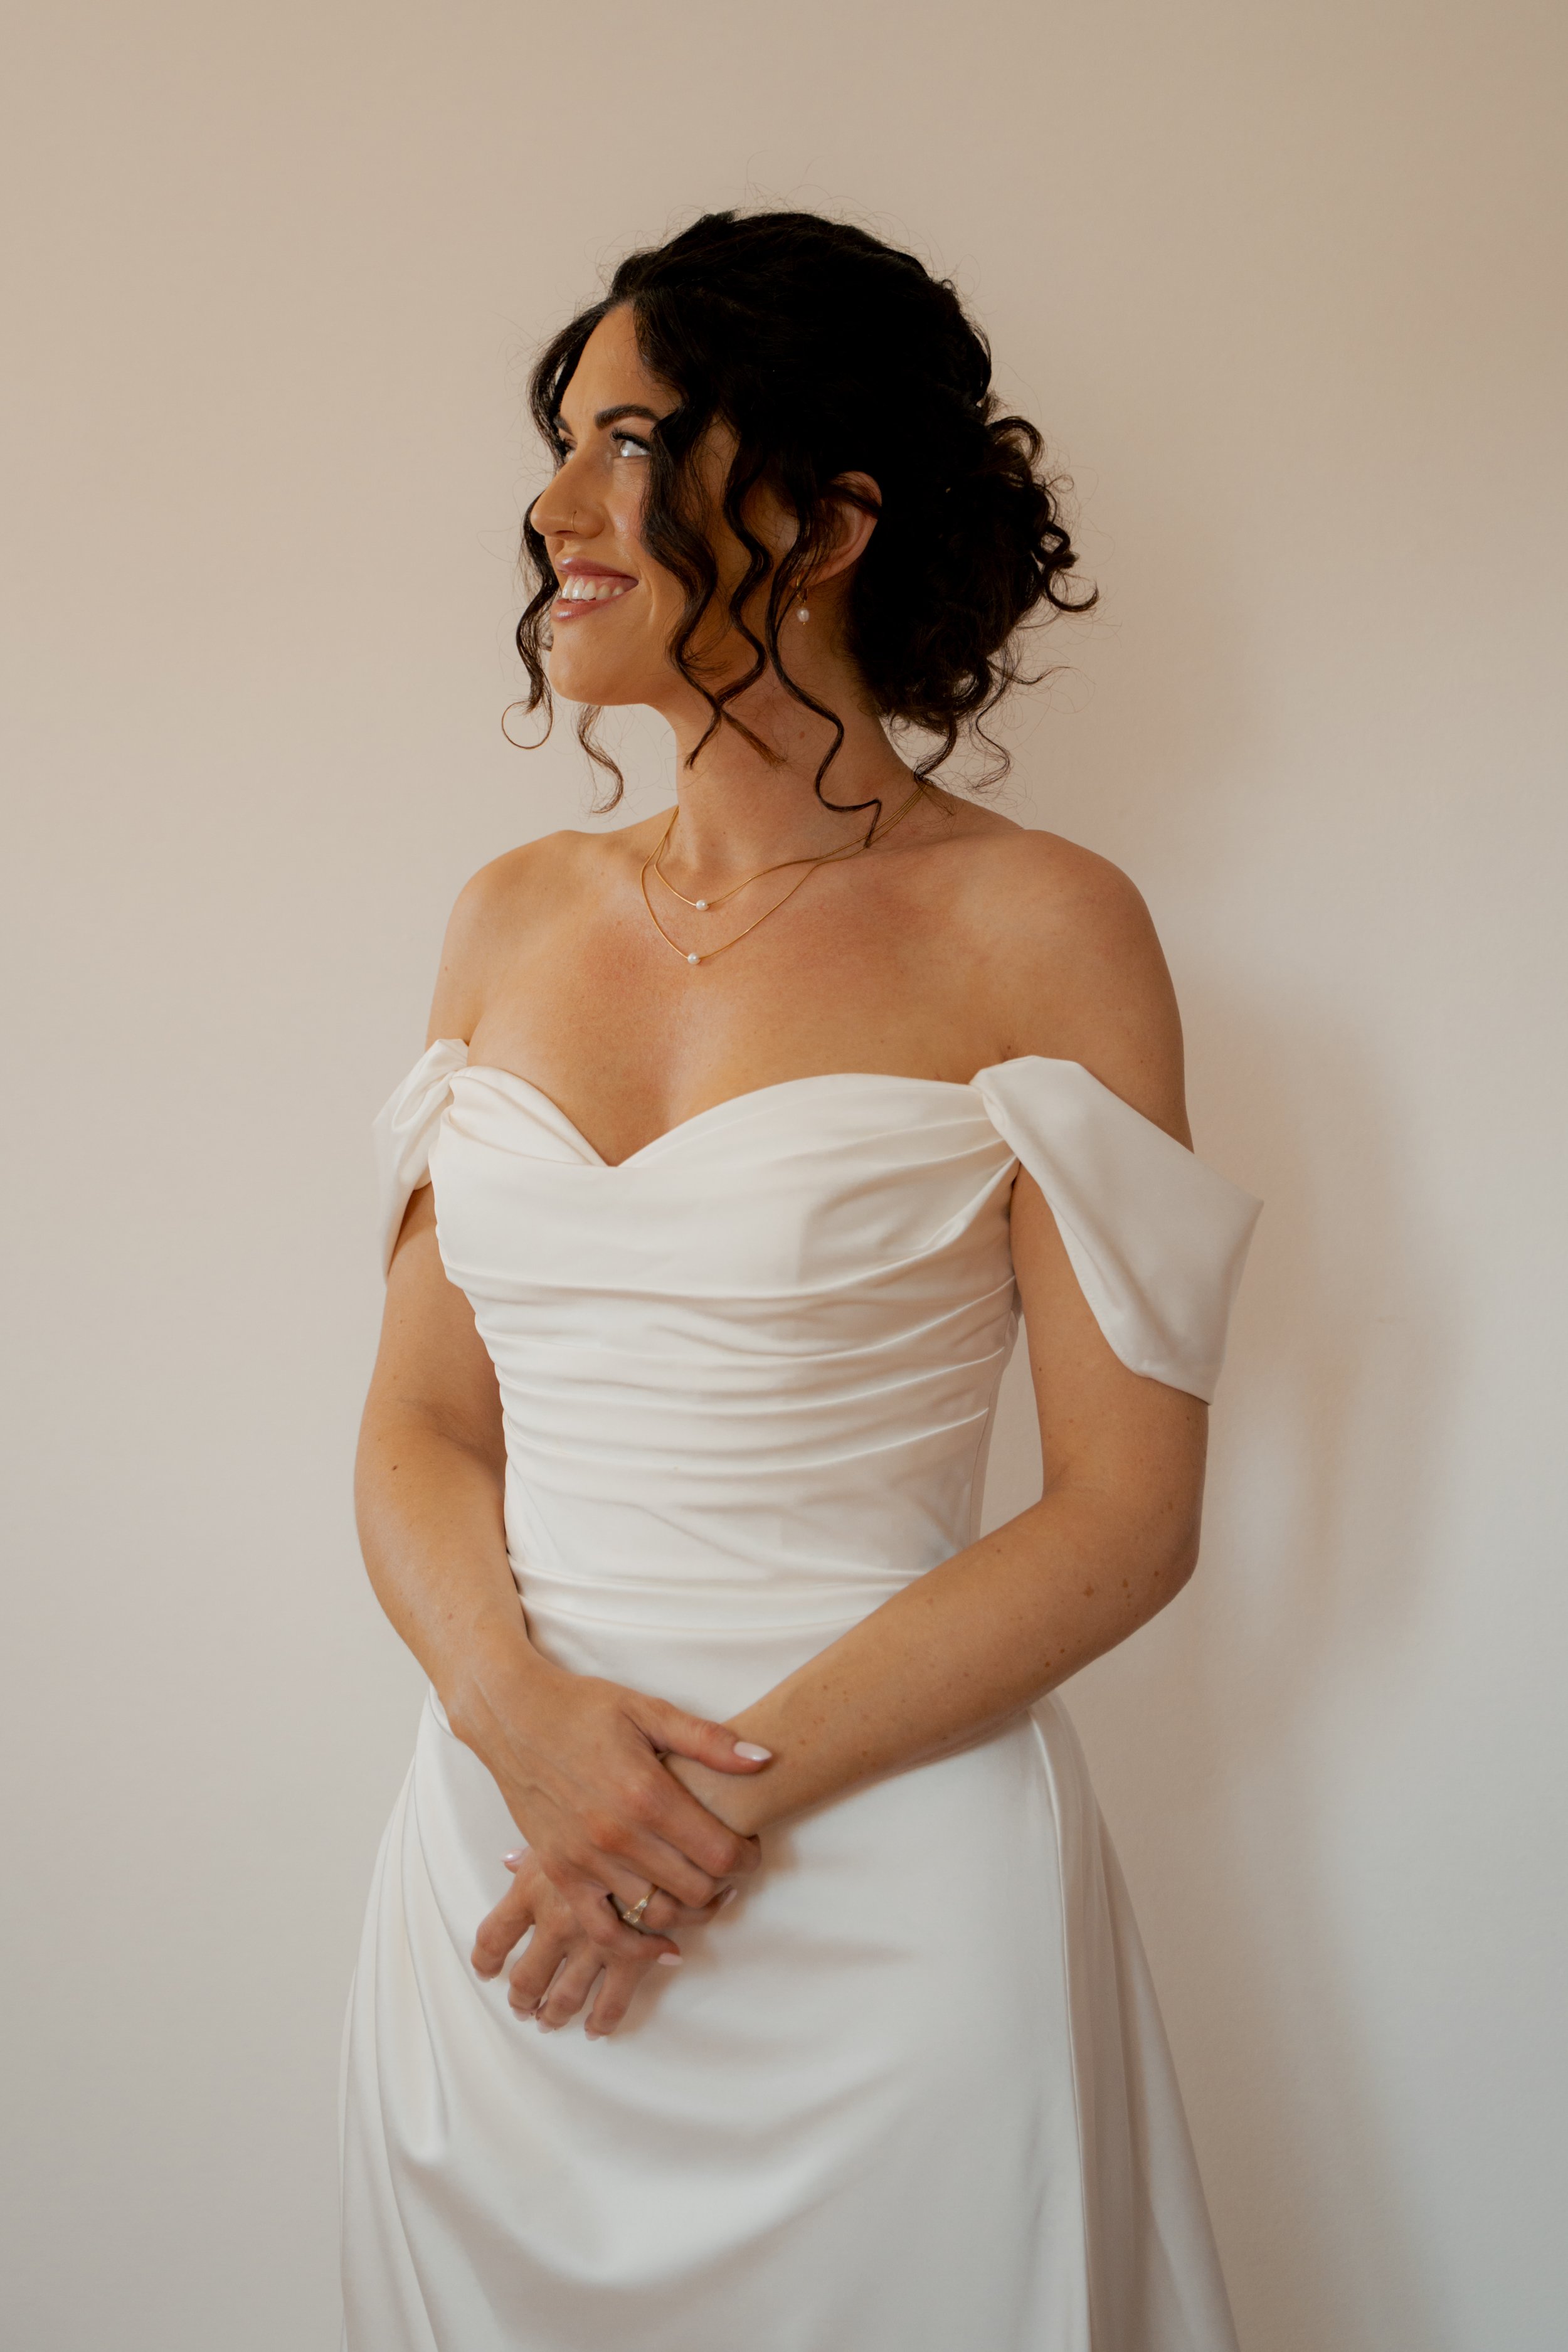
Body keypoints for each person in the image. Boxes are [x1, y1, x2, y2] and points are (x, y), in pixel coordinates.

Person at [341, 209, 1261, 2352]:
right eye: (562, 441)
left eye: (635, 443)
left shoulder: (1040, 928)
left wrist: (673, 1817)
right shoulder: (505, 918)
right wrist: (524, 1733)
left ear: (831, 516)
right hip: (502, 1903)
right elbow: (418, 1420)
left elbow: (1125, 1518)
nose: (558, 509)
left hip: (875, 1904)